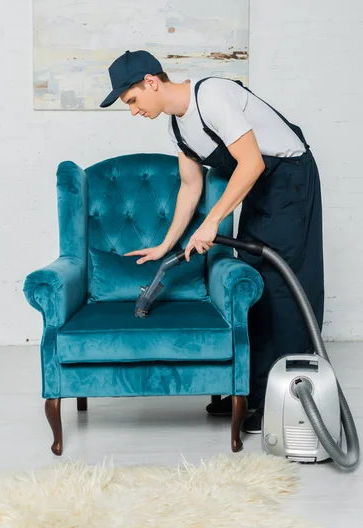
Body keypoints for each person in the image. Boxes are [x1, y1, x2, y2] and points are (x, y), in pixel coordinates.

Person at [100, 49, 324, 433]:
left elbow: (252, 163)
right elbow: (191, 186)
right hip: (258, 189)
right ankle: (252, 395)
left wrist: (213, 222)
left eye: (133, 100)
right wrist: (166, 244)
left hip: (289, 180)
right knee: (254, 284)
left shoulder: (212, 97)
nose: (133, 110)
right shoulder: (177, 126)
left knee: (284, 287)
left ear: (151, 82)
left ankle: (286, 402)